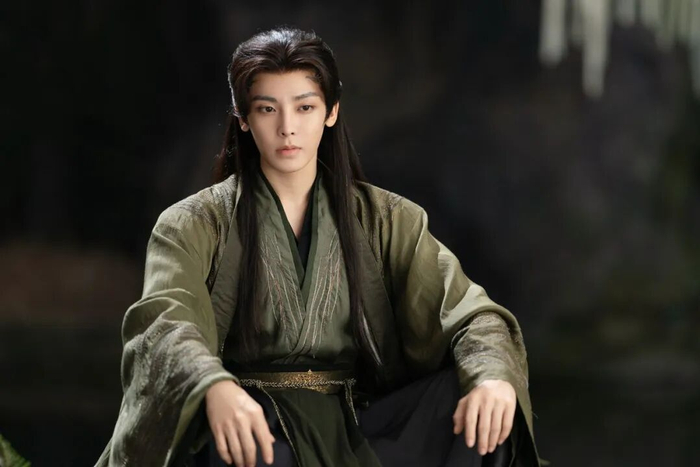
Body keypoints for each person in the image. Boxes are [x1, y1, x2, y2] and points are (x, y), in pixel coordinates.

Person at [95, 27, 541, 467]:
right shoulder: (193, 224)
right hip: (252, 425)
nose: (287, 128)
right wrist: (212, 385)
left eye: (304, 107)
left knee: (478, 399)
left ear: (330, 112)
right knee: (228, 441)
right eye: (267, 109)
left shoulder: (387, 219)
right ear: (244, 118)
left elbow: (470, 314)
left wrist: (492, 377)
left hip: (361, 424)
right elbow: (166, 322)